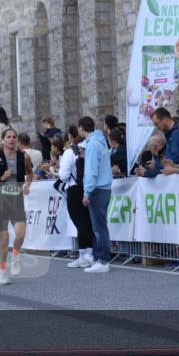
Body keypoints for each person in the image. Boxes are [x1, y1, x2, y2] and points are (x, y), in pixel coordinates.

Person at [0, 127, 34, 285]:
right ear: (3, 140)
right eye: (8, 137)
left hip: (17, 199)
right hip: (1, 200)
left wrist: (27, 185)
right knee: (4, 239)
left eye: (14, 137)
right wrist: (1, 178)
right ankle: (2, 271)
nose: (12, 140)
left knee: (20, 234)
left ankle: (16, 256)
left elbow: (30, 173)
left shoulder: (24, 157)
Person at [78, 116, 112, 273]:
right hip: (104, 187)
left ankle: (103, 260)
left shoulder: (92, 145)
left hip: (97, 189)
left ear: (81, 128)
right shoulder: (101, 141)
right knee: (100, 225)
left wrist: (87, 192)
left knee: (99, 227)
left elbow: (91, 171)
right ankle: (99, 258)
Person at [60, 125, 94, 267]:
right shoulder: (90, 147)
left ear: (71, 136)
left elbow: (63, 176)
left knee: (79, 222)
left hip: (74, 189)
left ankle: (83, 255)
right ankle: (90, 254)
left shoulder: (70, 152)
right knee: (88, 221)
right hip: (88, 187)